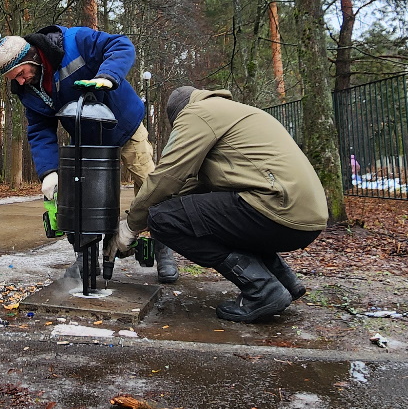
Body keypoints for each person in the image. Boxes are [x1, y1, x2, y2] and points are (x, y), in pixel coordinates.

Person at [109, 87, 328, 323]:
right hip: (305, 219)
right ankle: (284, 280)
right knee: (211, 218)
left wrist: (130, 227)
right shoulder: (235, 111)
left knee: (163, 220)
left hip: (276, 209)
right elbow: (191, 192)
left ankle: (262, 289)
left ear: (177, 116)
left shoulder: (197, 113)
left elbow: (166, 177)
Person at [0, 25, 178, 283]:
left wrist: (108, 75)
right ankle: (85, 256)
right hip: (86, 140)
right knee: (78, 199)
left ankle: (164, 248)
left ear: (31, 56)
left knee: (150, 185)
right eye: (13, 79)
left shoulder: (74, 41)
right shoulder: (28, 90)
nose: (20, 81)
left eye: (20, 73)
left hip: (125, 124)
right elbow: (39, 129)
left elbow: (121, 45)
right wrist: (49, 171)